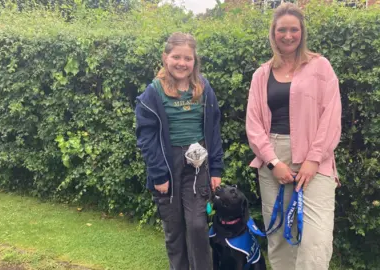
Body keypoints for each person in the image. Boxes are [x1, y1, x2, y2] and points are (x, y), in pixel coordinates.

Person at [245, 3, 342, 270]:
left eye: (294, 30)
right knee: (279, 235)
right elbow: (253, 125)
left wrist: (314, 159)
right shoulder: (261, 74)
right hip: (273, 158)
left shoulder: (321, 67)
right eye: (282, 30)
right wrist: (273, 163)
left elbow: (331, 116)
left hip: (317, 159)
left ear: (302, 32)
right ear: (273, 33)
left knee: (315, 238)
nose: (288, 35)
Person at [135, 32, 223, 270]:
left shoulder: (204, 88)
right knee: (174, 229)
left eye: (188, 58)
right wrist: (158, 174)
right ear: (165, 57)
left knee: (197, 225)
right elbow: (146, 137)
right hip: (168, 165)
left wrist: (216, 168)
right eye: (176, 57)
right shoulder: (153, 92)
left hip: (198, 165)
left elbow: (213, 130)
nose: (182, 63)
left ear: (195, 61)